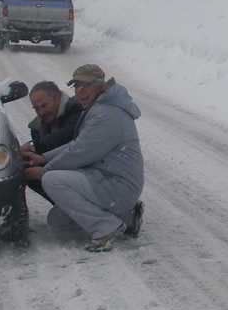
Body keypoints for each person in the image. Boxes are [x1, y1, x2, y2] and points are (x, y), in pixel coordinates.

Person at [22, 64, 145, 251]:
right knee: (58, 222)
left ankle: (105, 227)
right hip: (106, 180)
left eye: (85, 86)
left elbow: (81, 152)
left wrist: (44, 170)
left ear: (100, 85)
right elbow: (79, 144)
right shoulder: (99, 107)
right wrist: (43, 158)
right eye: (76, 86)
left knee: (52, 180)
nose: (80, 91)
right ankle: (126, 218)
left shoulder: (107, 114)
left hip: (117, 184)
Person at [20, 81, 83, 204]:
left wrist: (32, 149)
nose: (41, 112)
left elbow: (62, 139)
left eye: (44, 106)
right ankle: (66, 208)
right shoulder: (37, 127)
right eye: (36, 108)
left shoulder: (77, 109)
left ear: (58, 98)